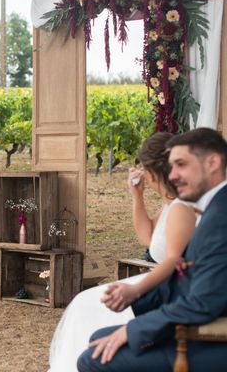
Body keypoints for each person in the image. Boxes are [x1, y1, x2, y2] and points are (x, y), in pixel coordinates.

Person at [77, 127, 227, 372]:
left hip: (212, 339)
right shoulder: (214, 207)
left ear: (212, 162)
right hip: (200, 322)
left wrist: (135, 328)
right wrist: (135, 296)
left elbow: (202, 303)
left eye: (181, 164)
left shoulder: (220, 218)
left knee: (93, 359)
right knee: (98, 338)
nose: (173, 174)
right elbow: (187, 279)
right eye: (171, 165)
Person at [49, 132, 198, 371]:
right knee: (84, 302)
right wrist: (136, 197)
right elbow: (146, 237)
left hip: (171, 286)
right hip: (163, 280)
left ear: (151, 173)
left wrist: (135, 288)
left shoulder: (182, 207)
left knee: (88, 304)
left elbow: (174, 261)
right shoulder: (172, 203)